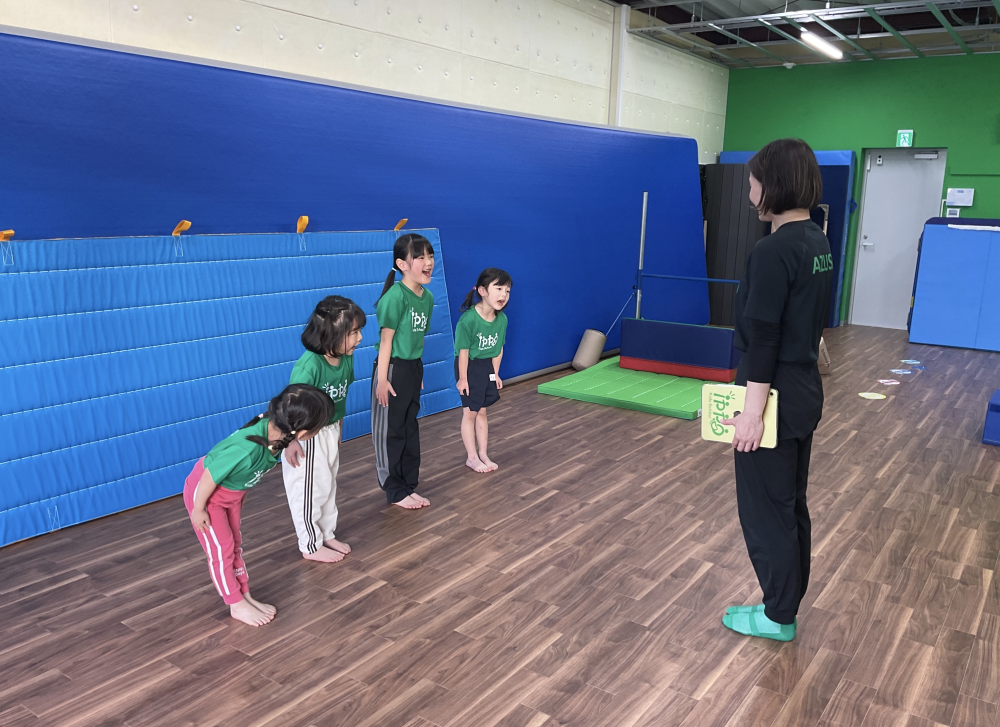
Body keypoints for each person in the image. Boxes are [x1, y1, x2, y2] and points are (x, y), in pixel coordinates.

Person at [720, 138, 833, 642]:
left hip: (774, 398)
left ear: (774, 186)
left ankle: (778, 615)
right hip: (803, 393)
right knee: (789, 506)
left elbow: (764, 338)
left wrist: (751, 413)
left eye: (753, 183)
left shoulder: (772, 251)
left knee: (766, 512)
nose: (750, 194)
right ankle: (782, 605)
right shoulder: (816, 241)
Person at [183, 384, 335, 627]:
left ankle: (243, 595)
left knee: (234, 545)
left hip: (230, 496)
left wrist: (290, 444)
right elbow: (209, 476)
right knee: (221, 550)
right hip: (206, 497)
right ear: (303, 430)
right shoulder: (247, 448)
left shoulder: (275, 430)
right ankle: (235, 603)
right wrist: (198, 509)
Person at [281, 295, 366, 563]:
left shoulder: (346, 358)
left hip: (329, 431)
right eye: (353, 333)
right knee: (309, 491)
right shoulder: (309, 366)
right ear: (332, 333)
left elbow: (341, 397)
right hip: (306, 436)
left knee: (328, 486)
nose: (360, 338)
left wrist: (339, 427)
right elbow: (288, 407)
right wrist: (290, 441)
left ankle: (326, 534)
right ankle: (310, 545)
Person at [371, 233, 435, 510]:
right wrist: (382, 379)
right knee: (391, 431)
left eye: (430, 256)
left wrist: (417, 373)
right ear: (402, 264)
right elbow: (386, 341)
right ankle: (394, 489)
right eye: (420, 257)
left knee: (409, 428)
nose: (428, 262)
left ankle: (408, 485)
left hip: (412, 368)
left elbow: (419, 339)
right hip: (392, 369)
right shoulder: (395, 297)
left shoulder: (427, 297)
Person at [454, 268, 511, 473]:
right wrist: (463, 378)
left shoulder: (502, 319)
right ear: (482, 291)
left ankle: (483, 454)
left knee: (483, 411)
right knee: (470, 412)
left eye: (507, 291)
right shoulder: (468, 320)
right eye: (499, 288)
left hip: (486, 365)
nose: (503, 295)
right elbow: (462, 352)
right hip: (469, 365)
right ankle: (472, 457)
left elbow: (498, 349)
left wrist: (495, 374)